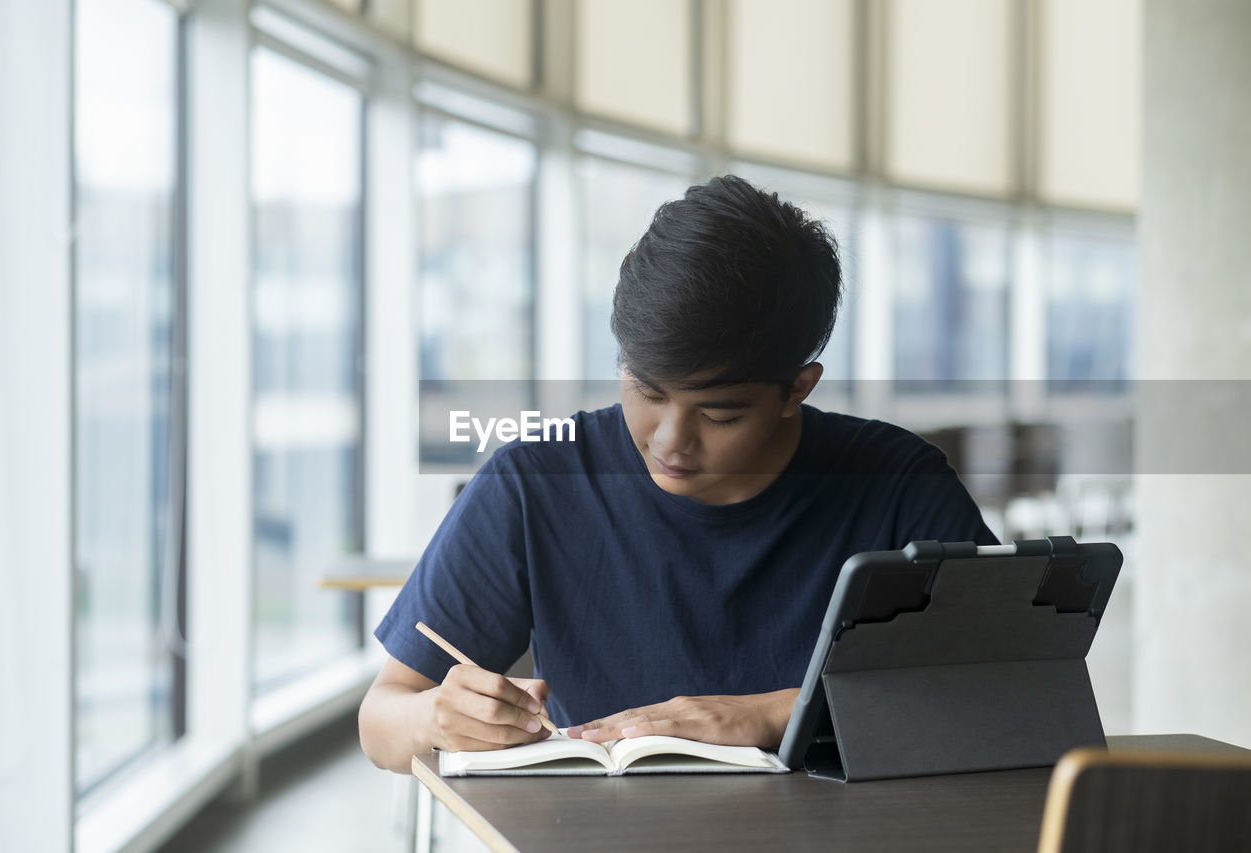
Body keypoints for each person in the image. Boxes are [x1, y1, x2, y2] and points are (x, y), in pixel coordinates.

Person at [359, 175, 996, 772]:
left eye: (720, 414)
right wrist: (433, 717)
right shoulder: (535, 483)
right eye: (646, 390)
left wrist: (773, 713)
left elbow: (1008, 688)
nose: (670, 442)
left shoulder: (897, 484)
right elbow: (380, 718)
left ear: (797, 388)